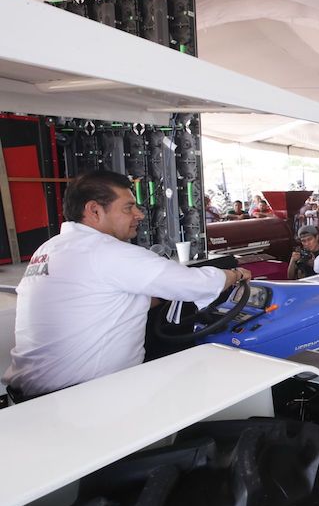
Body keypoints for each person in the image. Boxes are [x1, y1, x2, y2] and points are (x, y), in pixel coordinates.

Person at [2, 171, 251, 401]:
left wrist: (165, 297)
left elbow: (101, 302)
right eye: (128, 207)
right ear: (94, 210)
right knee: (200, 384)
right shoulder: (105, 251)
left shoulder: (50, 248)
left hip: (31, 395)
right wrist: (234, 274)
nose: (139, 215)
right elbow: (195, 284)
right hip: (86, 398)